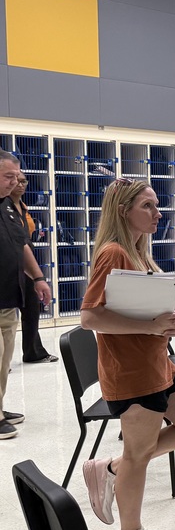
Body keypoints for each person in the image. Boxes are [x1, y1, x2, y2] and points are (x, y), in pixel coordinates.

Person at [80, 178, 175, 530]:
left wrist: (173, 316)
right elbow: (90, 317)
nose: (158, 214)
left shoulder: (138, 251)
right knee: (139, 457)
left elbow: (140, 308)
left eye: (157, 206)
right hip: (133, 373)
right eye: (148, 207)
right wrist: (151, 326)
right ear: (124, 211)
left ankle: (110, 469)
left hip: (157, 363)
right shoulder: (113, 253)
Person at [0, 151, 52, 440]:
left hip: (10, 296)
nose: (15, 182)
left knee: (5, 357)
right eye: (9, 176)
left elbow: (22, 246)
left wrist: (39, 278)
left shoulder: (8, 207)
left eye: (16, 177)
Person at [10, 170, 57, 363]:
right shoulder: (5, 207)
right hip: (8, 260)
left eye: (24, 181)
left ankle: (33, 351)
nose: (20, 185)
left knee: (31, 306)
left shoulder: (23, 206)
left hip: (26, 259)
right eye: (16, 181)